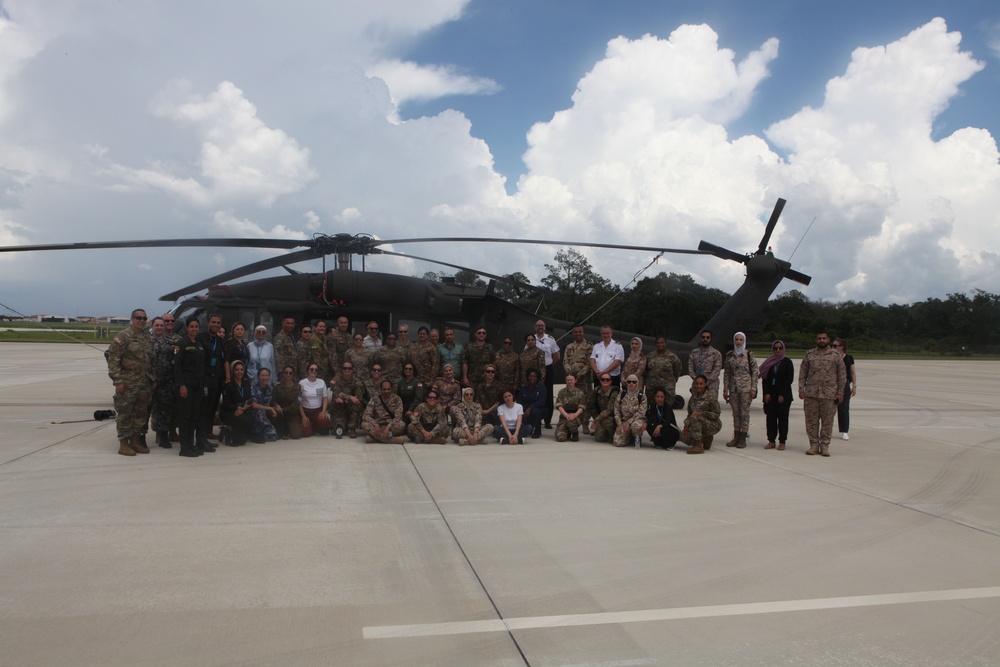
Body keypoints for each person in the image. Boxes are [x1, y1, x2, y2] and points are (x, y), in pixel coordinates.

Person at [107, 308, 155, 456]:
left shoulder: (147, 337)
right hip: (128, 383)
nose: (141, 321)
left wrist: (153, 378)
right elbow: (113, 360)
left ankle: (135, 441)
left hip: (144, 383)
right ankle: (123, 444)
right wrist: (118, 381)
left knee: (140, 414)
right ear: (132, 319)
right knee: (125, 414)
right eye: (138, 318)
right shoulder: (123, 336)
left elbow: (151, 360)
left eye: (143, 318)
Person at [798, 331, 846, 456]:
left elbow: (842, 375)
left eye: (824, 338)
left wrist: (840, 393)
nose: (821, 340)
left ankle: (824, 446)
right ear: (816, 340)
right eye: (819, 338)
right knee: (811, 421)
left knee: (827, 421)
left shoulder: (835, 355)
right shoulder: (809, 354)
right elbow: (803, 372)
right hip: (811, 394)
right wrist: (801, 389)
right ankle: (813, 445)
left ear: (828, 339)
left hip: (829, 394)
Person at [174, 318, 206, 457]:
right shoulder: (181, 343)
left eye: (196, 326)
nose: (194, 329)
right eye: (191, 326)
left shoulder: (198, 343)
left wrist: (203, 385)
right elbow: (177, 367)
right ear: (187, 328)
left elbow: (201, 366)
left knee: (194, 416)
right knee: (185, 416)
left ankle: (191, 444)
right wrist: (181, 385)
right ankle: (184, 447)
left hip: (198, 385)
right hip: (186, 385)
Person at [723, 331, 758, 448]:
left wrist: (753, 388)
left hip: (745, 389)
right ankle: (736, 436)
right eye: (736, 340)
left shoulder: (749, 355)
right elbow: (727, 373)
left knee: (744, 413)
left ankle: (743, 436)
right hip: (733, 388)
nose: (738, 342)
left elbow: (755, 373)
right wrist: (725, 389)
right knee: (736, 413)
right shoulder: (729, 355)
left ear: (744, 341)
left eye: (740, 340)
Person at [196, 313, 225, 451]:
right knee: (203, 409)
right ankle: (201, 439)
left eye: (218, 323)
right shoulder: (200, 338)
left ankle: (207, 433)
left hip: (216, 379)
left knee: (212, 408)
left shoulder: (219, 341)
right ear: (208, 323)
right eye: (213, 322)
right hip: (205, 378)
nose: (216, 325)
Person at [760, 340, 794, 450]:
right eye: (775, 348)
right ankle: (771, 440)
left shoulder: (787, 362)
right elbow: (765, 379)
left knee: (783, 418)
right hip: (771, 394)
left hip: (783, 394)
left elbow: (789, 379)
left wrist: (782, 394)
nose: (778, 350)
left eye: (780, 348)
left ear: (784, 349)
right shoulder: (769, 362)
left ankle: (782, 441)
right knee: (770, 418)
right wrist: (766, 393)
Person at [149, 316, 176, 448]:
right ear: (152, 326)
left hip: (166, 382)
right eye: (157, 325)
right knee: (146, 410)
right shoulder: (146, 342)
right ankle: (140, 437)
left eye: (161, 325)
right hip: (149, 382)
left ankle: (164, 436)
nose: (159, 328)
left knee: (165, 410)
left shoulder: (170, 343)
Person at [562, 325, 594, 433]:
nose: (578, 334)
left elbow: (590, 363)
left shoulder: (588, 346)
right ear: (572, 333)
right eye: (575, 332)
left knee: (586, 401)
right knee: (571, 400)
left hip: (584, 379)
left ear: (583, 333)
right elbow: (565, 361)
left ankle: (585, 423)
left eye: (580, 332)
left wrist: (580, 374)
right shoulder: (569, 346)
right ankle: (571, 421)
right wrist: (569, 372)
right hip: (571, 379)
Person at [681, 375, 723, 454]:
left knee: (696, 417)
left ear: (705, 384)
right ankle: (706, 439)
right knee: (684, 437)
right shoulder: (692, 398)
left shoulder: (711, 397)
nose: (698, 386)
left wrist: (702, 413)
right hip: (698, 423)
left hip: (713, 424)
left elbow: (716, 414)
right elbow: (689, 414)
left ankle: (698, 446)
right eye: (697, 384)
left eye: (701, 384)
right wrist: (686, 426)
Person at [532, 319, 561, 429]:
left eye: (542, 325)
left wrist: (549, 364)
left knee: (548, 394)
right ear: (535, 327)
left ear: (545, 327)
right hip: (535, 370)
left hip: (547, 369)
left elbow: (557, 355)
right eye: (538, 325)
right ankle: (536, 419)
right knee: (535, 394)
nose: (540, 327)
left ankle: (548, 420)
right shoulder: (531, 338)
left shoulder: (550, 339)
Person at [219, 359, 254, 446]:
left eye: (241, 369)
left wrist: (243, 409)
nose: (239, 372)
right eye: (237, 370)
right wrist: (237, 408)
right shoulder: (228, 385)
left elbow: (250, 399)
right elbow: (226, 404)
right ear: (233, 371)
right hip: (228, 411)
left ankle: (230, 431)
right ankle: (228, 436)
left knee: (250, 420)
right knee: (243, 422)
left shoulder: (246, 383)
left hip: (242, 410)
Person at [329, 361, 364, 438]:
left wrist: (345, 399)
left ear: (352, 370)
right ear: (342, 369)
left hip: (350, 407)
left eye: (349, 368)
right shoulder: (335, 379)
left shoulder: (357, 382)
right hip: (338, 407)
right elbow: (337, 393)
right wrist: (350, 397)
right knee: (339, 432)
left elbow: (358, 398)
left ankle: (352, 429)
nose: (347, 370)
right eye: (345, 368)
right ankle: (340, 424)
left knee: (356, 405)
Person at [645, 336, 682, 406]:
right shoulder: (650, 356)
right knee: (652, 406)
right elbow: (646, 370)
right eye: (658, 343)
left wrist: (673, 380)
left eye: (662, 343)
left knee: (667, 406)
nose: (660, 344)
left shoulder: (672, 357)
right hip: (652, 385)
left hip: (667, 386)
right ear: (656, 344)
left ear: (666, 344)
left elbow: (677, 369)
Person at [613, 374, 647, 447]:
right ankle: (628, 437)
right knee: (617, 442)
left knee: (636, 426)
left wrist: (629, 422)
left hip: (636, 420)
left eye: (634, 382)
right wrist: (619, 424)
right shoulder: (622, 394)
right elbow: (616, 410)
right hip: (624, 421)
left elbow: (641, 413)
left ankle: (637, 437)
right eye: (629, 382)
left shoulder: (641, 396)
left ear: (637, 383)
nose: (631, 384)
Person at [298, 363, 331, 437]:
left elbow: (325, 398)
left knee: (324, 422)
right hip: (305, 411)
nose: (314, 371)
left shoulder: (321, 382)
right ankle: (312, 426)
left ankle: (316, 426)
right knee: (306, 433)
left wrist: (323, 411)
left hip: (317, 411)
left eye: (316, 370)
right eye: (311, 369)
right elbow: (299, 400)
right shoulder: (302, 383)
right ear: (307, 371)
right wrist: (303, 416)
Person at [689, 329, 723, 399]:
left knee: (711, 408)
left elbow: (716, 371)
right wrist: (698, 382)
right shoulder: (694, 353)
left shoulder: (716, 354)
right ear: (700, 339)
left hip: (711, 386)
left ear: (711, 339)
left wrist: (705, 383)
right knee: (696, 406)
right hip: (697, 385)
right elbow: (690, 369)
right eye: (703, 337)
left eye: (707, 337)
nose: (705, 339)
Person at [834, 337, 857, 440]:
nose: (833, 347)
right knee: (829, 407)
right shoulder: (831, 357)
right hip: (832, 383)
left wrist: (854, 386)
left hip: (844, 383)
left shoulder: (849, 358)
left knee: (843, 408)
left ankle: (844, 430)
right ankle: (826, 429)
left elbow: (852, 372)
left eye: (835, 346)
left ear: (841, 347)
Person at [249, 367, 279, 443]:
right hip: (255, 415)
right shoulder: (253, 388)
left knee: (273, 436)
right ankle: (252, 433)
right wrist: (269, 408)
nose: (265, 378)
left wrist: (275, 407)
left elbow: (272, 402)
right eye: (262, 376)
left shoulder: (270, 389)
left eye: (266, 375)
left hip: (265, 416)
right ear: (258, 377)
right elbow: (253, 405)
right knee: (260, 412)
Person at [554, 373, 586, 442]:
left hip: (576, 416)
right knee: (560, 437)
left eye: (571, 380)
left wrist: (574, 415)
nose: (569, 382)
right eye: (567, 380)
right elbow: (559, 405)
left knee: (571, 421)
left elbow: (581, 407)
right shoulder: (561, 392)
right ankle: (567, 431)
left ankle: (575, 433)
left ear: (575, 380)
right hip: (565, 415)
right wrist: (566, 415)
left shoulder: (580, 393)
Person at [273, 366, 302, 440]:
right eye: (286, 372)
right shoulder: (277, 387)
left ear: (293, 375)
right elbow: (273, 400)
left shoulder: (298, 388)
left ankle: (287, 428)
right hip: (280, 414)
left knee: (296, 435)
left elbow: (296, 404)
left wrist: (283, 409)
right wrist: (276, 405)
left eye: (290, 373)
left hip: (292, 414)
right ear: (283, 374)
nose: (288, 374)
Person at [462, 325, 494, 392]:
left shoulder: (490, 348)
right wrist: (465, 377)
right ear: (475, 334)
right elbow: (465, 362)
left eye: (483, 333)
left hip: (486, 379)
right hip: (472, 379)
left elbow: (493, 364)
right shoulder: (469, 347)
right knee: (471, 398)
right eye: (479, 333)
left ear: (486, 335)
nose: (481, 334)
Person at [590, 373, 620, 442]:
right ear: (600, 381)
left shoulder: (614, 392)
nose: (605, 381)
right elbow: (591, 406)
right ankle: (605, 433)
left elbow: (609, 409)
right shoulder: (596, 391)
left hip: (612, 417)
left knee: (606, 422)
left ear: (611, 381)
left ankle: (613, 434)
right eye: (603, 379)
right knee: (599, 438)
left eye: (607, 379)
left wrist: (596, 420)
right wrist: (596, 418)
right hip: (600, 417)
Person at [517, 368, 546, 438]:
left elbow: (541, 401)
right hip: (525, 410)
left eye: (534, 376)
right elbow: (519, 401)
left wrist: (530, 408)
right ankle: (529, 427)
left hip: (539, 410)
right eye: (530, 376)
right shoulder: (523, 388)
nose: (532, 378)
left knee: (536, 412)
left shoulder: (542, 388)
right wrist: (522, 411)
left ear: (537, 378)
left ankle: (538, 430)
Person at [475, 364, 504, 429]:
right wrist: (481, 410)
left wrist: (488, 410)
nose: (490, 373)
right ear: (484, 372)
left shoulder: (499, 386)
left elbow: (499, 402)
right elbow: (477, 400)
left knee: (498, 410)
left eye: (492, 372)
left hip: (493, 411)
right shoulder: (480, 386)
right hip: (482, 411)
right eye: (488, 371)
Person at [273, 316, 298, 381]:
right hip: (285, 373)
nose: (290, 325)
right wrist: (282, 373)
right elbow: (278, 356)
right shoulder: (280, 337)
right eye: (288, 323)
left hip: (292, 370)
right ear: (283, 324)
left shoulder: (290, 336)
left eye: (292, 324)